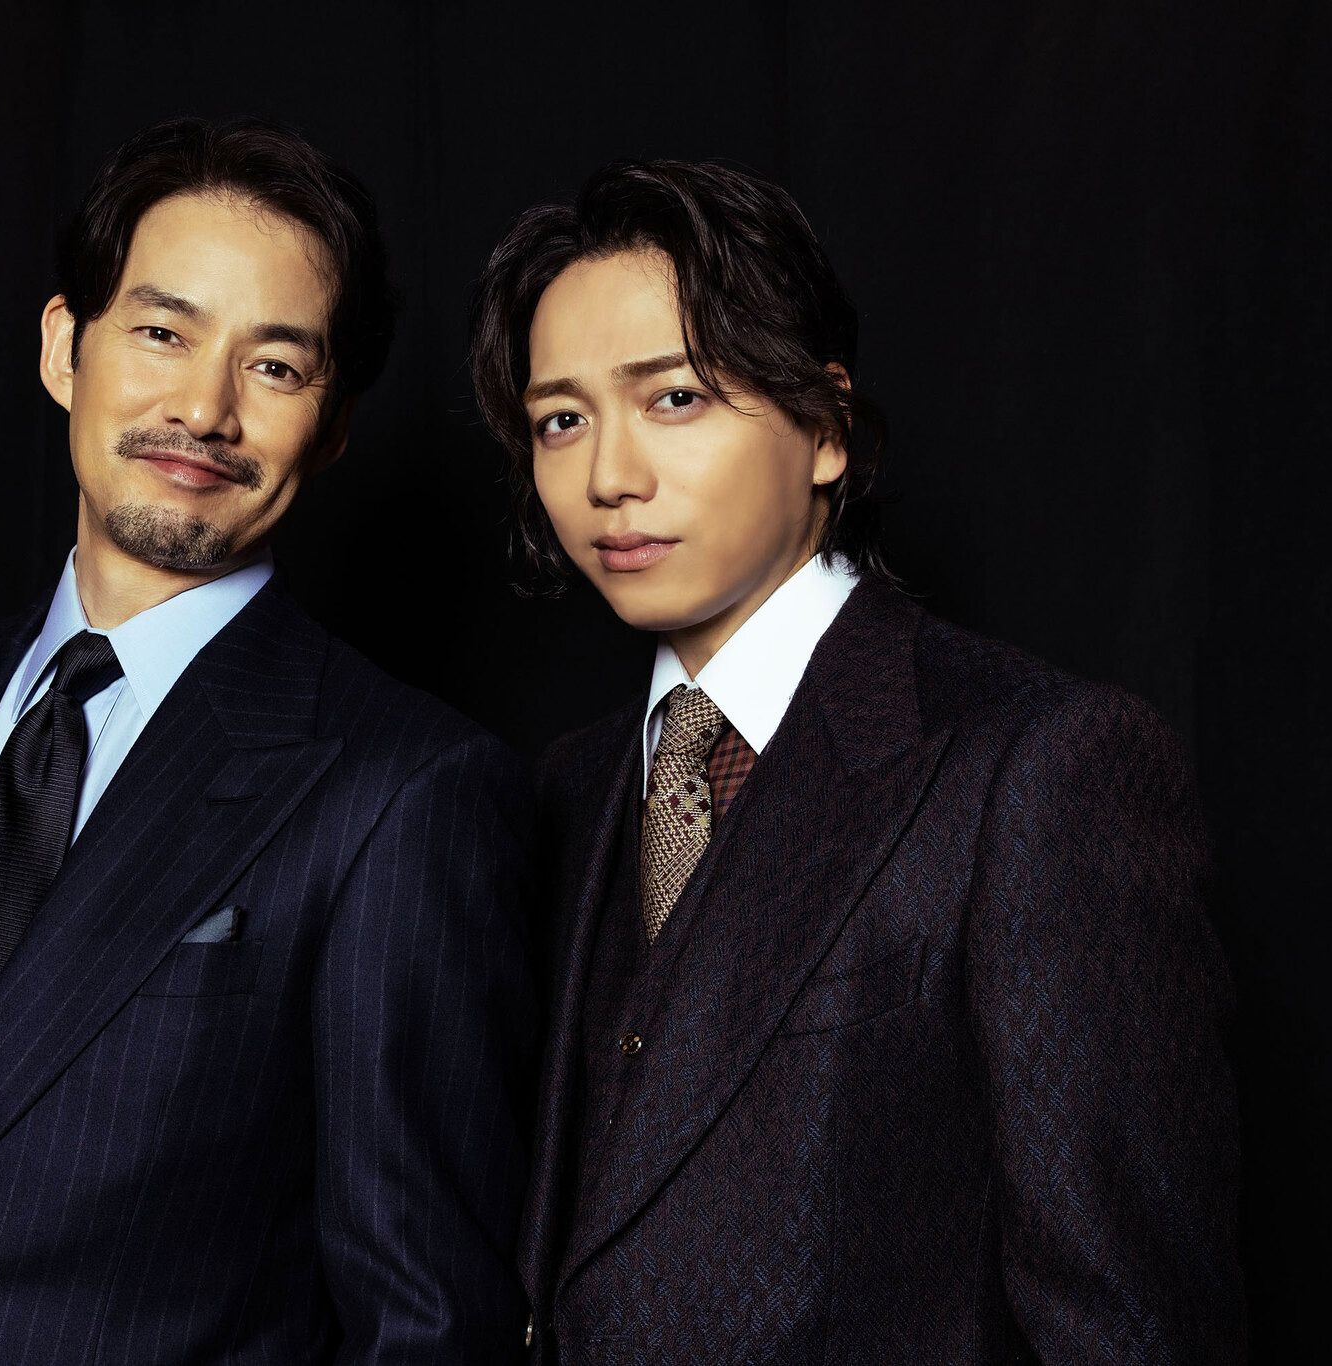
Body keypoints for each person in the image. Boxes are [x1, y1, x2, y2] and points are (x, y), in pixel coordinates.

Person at [0, 117, 538, 1366]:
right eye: (161, 333)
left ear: (334, 425)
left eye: (275, 366)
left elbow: (422, 1321)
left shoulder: (405, 789)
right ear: (62, 348)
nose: (202, 408)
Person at [470, 160, 1243, 1363]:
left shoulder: (1037, 764)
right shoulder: (562, 789)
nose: (608, 477)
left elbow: (1130, 1328)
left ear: (825, 426)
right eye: (560, 419)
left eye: (672, 397)